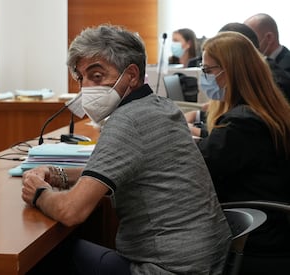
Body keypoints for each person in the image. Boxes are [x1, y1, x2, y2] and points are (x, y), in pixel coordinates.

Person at [22, 24, 231, 275]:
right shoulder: (161, 107)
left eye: (96, 76)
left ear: (131, 75)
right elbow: (115, 169)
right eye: (81, 78)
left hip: (168, 268)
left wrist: (39, 193)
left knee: (45, 256)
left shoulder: (127, 122)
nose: (85, 87)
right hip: (208, 260)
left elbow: (71, 211)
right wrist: (59, 175)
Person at [196, 31, 290, 274]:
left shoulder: (243, 123)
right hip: (272, 225)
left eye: (208, 70)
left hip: (254, 232)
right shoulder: (263, 111)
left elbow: (200, 168)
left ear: (229, 71)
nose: (205, 77)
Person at [185, 22, 290, 138]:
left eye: (207, 70)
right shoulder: (250, 106)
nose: (204, 76)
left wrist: (181, 130)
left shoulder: (243, 119)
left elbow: (218, 146)